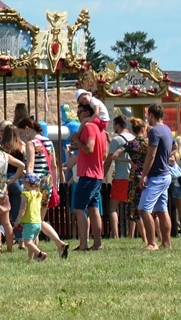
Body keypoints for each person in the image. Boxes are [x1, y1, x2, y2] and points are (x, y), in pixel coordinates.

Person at [16, 117, 69, 258]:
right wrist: (55, 183)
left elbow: (30, 166)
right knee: (38, 220)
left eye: (22, 133)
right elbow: (54, 165)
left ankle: (36, 254)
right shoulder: (48, 142)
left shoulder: (31, 144)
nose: (21, 136)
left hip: (35, 184)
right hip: (48, 182)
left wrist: (28, 185)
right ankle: (56, 244)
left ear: (27, 129)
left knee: (32, 220)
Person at [137, 104, 174, 251]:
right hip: (165, 174)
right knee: (162, 209)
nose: (147, 118)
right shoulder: (167, 129)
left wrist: (143, 176)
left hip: (156, 176)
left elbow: (151, 155)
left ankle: (152, 243)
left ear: (151, 115)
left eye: (147, 115)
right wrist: (166, 158)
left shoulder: (153, 131)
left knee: (144, 209)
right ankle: (166, 243)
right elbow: (174, 148)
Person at [71, 102, 106, 251]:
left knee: (79, 208)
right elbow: (103, 153)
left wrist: (77, 140)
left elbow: (89, 148)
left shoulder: (89, 127)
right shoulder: (100, 129)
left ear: (86, 113)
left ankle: (84, 244)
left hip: (88, 174)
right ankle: (97, 243)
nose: (78, 116)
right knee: (93, 208)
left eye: (79, 112)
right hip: (97, 173)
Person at [103, 115, 135, 239]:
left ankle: (115, 235)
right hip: (132, 176)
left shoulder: (117, 140)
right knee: (132, 207)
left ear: (117, 125)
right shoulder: (133, 137)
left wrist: (102, 175)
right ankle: (131, 235)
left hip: (121, 177)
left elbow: (109, 160)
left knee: (112, 207)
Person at [13, 173, 48, 262]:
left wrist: (18, 220)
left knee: (27, 242)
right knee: (33, 241)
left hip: (29, 223)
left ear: (28, 184)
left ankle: (40, 253)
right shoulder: (39, 194)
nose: (23, 185)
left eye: (24, 183)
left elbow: (22, 209)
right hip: (38, 222)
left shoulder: (26, 194)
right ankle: (31, 259)